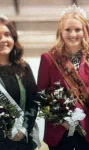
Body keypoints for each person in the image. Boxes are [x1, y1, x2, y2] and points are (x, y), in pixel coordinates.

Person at [37, 4, 89, 150]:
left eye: (77, 29)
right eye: (68, 30)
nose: (73, 34)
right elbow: (41, 96)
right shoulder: (48, 58)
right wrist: (59, 119)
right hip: (59, 132)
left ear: (85, 31)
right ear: (60, 32)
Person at [0, 15, 38, 150]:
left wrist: (23, 129)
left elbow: (33, 103)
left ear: (13, 38)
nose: (3, 40)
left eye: (7, 34)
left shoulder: (23, 68)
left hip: (21, 141)